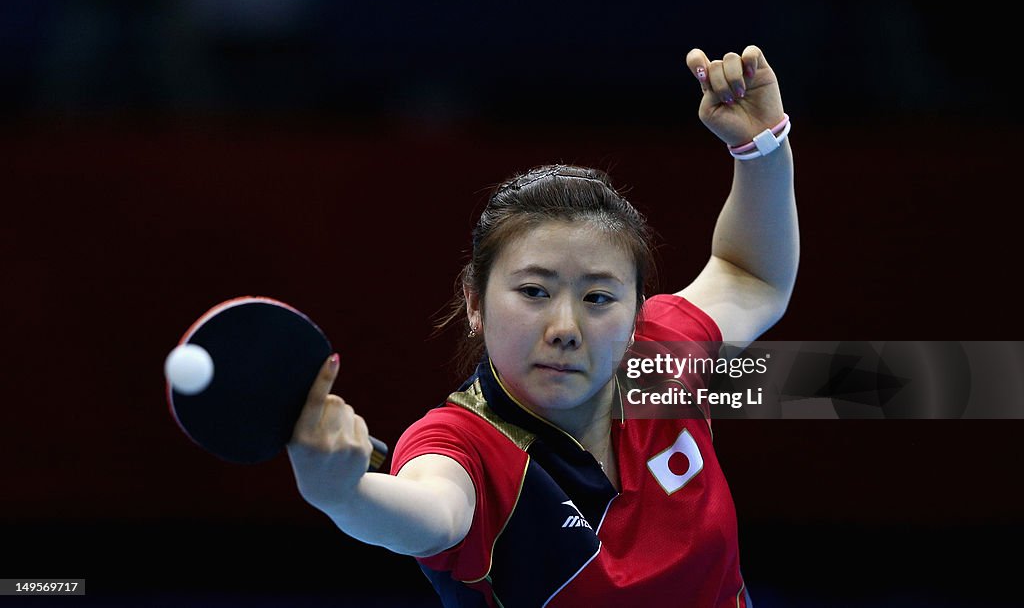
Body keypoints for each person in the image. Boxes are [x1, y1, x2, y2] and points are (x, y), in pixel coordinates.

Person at [287, 45, 798, 607]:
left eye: (599, 298)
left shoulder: (660, 359)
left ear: (634, 317)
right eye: (534, 292)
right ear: (474, 302)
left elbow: (749, 277)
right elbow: (431, 515)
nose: (565, 327)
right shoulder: (461, 444)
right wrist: (342, 494)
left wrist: (762, 146)